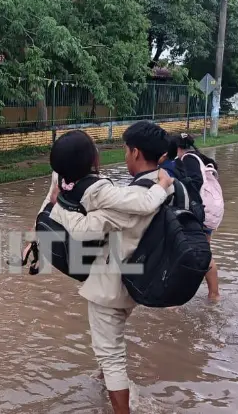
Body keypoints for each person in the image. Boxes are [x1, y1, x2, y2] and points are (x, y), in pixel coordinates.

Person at [49, 122, 174, 414]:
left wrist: (58, 208)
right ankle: (102, 382)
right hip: (138, 277)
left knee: (111, 355)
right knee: (109, 347)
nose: (123, 155)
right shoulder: (166, 182)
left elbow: (85, 229)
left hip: (112, 284)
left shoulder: (138, 196)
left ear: (135, 152)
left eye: (125, 150)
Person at [167, 134, 221, 301]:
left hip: (200, 213)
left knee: (200, 253)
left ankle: (211, 294)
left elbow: (194, 183)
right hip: (210, 212)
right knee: (204, 251)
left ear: (177, 148)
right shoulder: (199, 158)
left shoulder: (188, 159)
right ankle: (213, 294)